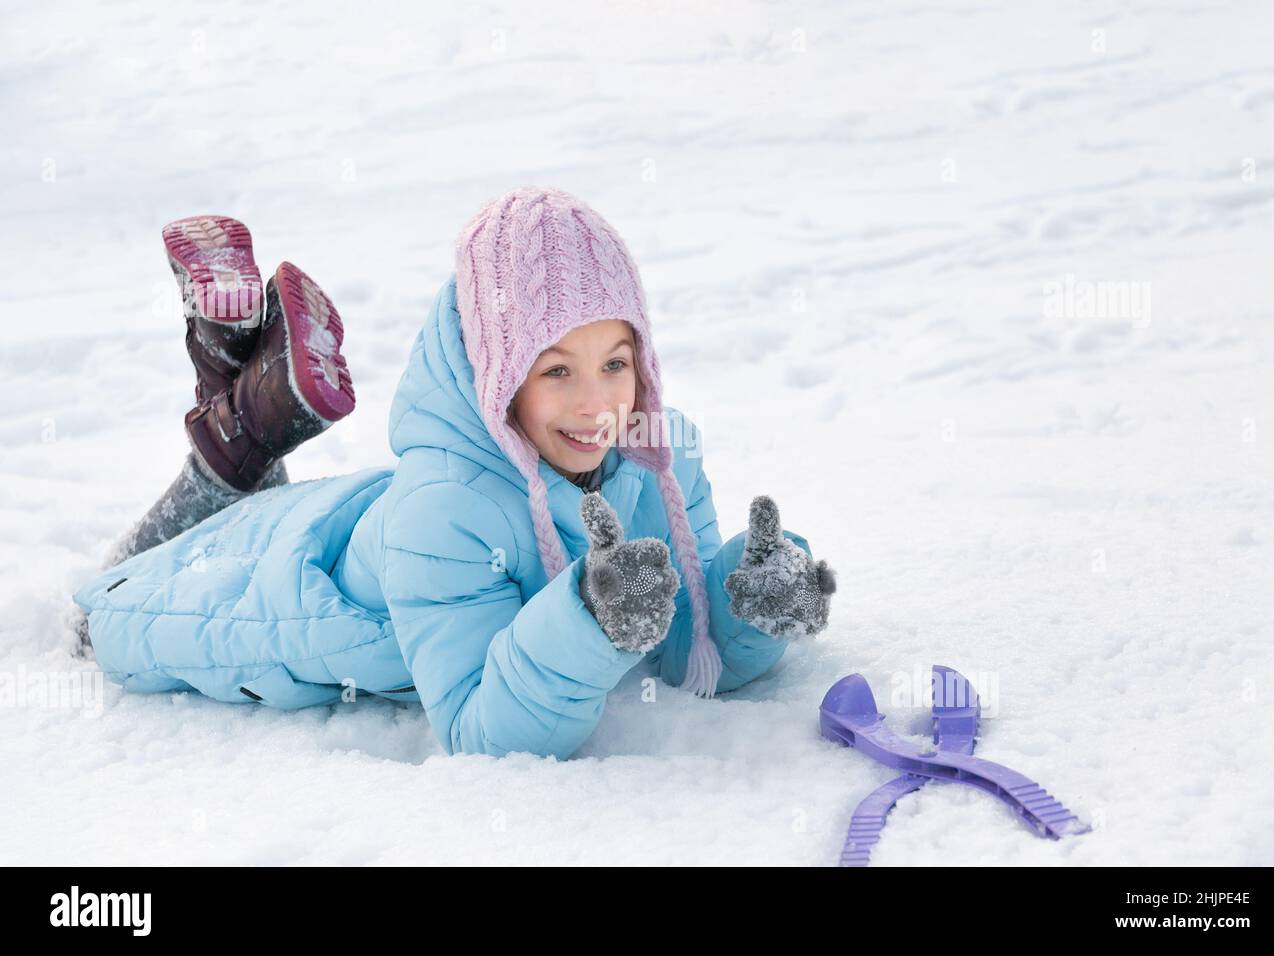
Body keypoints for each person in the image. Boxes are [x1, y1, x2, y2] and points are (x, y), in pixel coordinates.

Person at [72, 187, 837, 760]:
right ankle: (236, 422)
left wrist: (751, 603)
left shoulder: (656, 456)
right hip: (263, 594)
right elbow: (481, 733)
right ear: (496, 376)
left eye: (615, 364)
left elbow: (683, 640)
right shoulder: (444, 514)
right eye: (556, 372)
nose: (597, 403)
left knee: (247, 500)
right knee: (116, 598)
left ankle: (235, 394)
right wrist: (588, 619)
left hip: (356, 522)